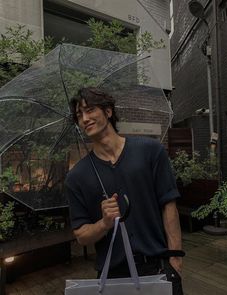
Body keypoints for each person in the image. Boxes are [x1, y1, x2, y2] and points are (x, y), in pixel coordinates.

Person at [65, 87, 184, 295]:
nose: (84, 118)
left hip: (158, 265)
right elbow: (81, 236)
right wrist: (104, 223)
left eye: (90, 109)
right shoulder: (77, 177)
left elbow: (168, 204)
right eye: (78, 115)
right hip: (112, 275)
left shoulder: (150, 151)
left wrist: (175, 257)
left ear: (108, 111)